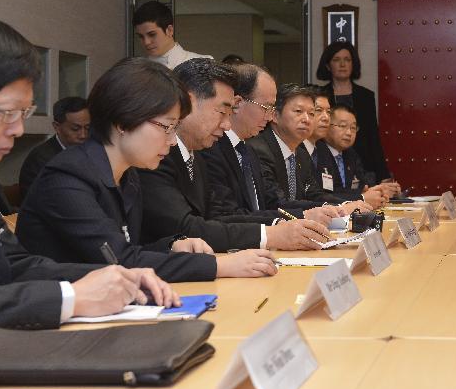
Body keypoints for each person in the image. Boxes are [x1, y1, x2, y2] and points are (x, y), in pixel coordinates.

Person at [0, 14, 177, 334]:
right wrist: (71, 297)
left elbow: (11, 265)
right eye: (7, 112)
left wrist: (116, 278)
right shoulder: (67, 174)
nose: (19, 129)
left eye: (23, 113)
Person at [17, 58, 277, 280]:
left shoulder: (126, 174)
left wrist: (172, 246)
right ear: (123, 121)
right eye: (166, 127)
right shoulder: (67, 178)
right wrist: (219, 265)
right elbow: (120, 260)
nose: (173, 140)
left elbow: (133, 245)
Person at [137, 59, 331, 251]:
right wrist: (269, 235)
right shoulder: (156, 155)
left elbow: (216, 217)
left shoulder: (196, 153)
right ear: (188, 102)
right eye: (222, 111)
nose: (227, 124)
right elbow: (185, 227)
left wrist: (280, 225)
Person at [200, 65, 344, 249]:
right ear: (237, 103)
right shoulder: (212, 147)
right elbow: (223, 216)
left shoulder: (247, 150)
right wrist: (295, 220)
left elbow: (269, 203)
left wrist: (306, 215)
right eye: (266, 107)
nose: (269, 117)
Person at [249, 83, 372, 210]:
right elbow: (276, 203)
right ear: (275, 115)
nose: (307, 119)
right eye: (298, 111)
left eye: (312, 113)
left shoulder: (301, 154)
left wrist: (344, 205)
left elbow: (314, 194)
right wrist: (334, 209)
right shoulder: (259, 150)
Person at [316, 42, 391, 182]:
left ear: (353, 64)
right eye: (336, 60)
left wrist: (384, 175)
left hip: (364, 163)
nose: (342, 64)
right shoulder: (320, 95)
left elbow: (373, 136)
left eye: (347, 60)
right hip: (328, 162)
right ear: (327, 65)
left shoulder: (366, 96)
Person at [302, 91, 391, 207]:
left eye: (328, 112)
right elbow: (318, 195)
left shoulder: (348, 154)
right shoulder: (305, 149)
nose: (325, 118)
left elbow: (360, 186)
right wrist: (361, 197)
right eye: (343, 126)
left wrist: (372, 193)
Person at [317, 104, 399, 204]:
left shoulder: (351, 155)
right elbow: (324, 195)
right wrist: (361, 197)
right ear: (327, 126)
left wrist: (380, 190)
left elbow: (362, 187)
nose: (349, 132)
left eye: (353, 128)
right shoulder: (317, 153)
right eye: (343, 126)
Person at [18, 96, 90, 196]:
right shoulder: (41, 159)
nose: (83, 135)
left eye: (88, 128)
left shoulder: (93, 151)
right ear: (57, 127)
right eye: (75, 129)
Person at [132, 1, 212, 69]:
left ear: (169, 30)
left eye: (152, 34)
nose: (146, 42)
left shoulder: (202, 64)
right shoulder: (137, 70)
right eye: (141, 36)